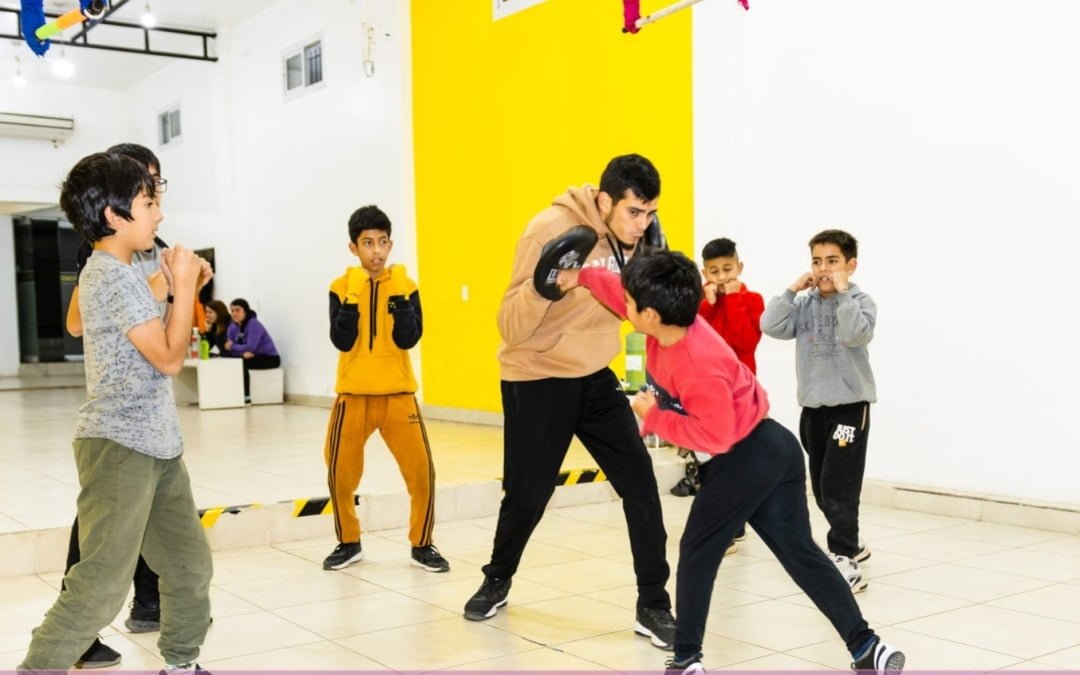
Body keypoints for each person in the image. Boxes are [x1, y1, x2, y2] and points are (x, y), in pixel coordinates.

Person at [560, 250, 904, 675]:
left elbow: (715, 436)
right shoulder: (671, 316)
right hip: (773, 446)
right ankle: (867, 647)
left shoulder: (696, 363)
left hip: (742, 455)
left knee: (697, 551)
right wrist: (579, 276)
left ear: (649, 315)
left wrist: (655, 417)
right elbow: (618, 291)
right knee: (799, 552)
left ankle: (686, 660)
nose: (623, 306)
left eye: (631, 305)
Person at [463, 154, 676, 651]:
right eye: (633, 212)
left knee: (641, 483)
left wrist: (637, 383)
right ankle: (497, 578)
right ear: (604, 201)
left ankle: (653, 603)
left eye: (649, 213)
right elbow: (510, 327)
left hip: (594, 376)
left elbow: (636, 319)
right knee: (527, 495)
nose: (642, 224)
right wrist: (545, 290)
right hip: (536, 374)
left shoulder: (637, 240)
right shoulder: (548, 229)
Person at [19, 152, 213, 673]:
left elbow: (157, 348)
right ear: (114, 215)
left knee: (188, 566)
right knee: (102, 584)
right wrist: (184, 287)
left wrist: (177, 288)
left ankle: (181, 664)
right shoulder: (108, 277)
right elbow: (170, 359)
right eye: (149, 203)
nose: (159, 214)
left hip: (158, 444)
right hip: (119, 447)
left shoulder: (122, 275)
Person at [62, 142, 170, 668]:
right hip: (115, 419)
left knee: (154, 505)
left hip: (151, 412)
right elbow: (75, 323)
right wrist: (151, 289)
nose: (155, 198)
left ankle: (149, 602)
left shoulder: (150, 240)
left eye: (156, 186)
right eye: (146, 188)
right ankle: (77, 631)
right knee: (99, 525)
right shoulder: (103, 253)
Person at [321, 205, 449, 573]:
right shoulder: (340, 287)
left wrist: (401, 299)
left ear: (390, 244)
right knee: (339, 472)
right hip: (353, 396)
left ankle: (422, 544)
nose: (376, 251)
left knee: (422, 474)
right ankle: (348, 542)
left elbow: (408, 338)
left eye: (382, 242)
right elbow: (342, 340)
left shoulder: (406, 285)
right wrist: (354, 296)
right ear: (353, 247)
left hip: (398, 396)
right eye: (367, 243)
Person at [760, 229, 877, 593]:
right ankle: (851, 540)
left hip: (849, 409)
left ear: (850, 265)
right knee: (822, 485)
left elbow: (856, 334)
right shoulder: (804, 304)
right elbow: (770, 325)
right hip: (813, 409)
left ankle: (844, 556)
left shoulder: (861, 302)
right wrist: (792, 290)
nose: (824, 269)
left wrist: (843, 293)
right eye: (817, 261)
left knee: (838, 484)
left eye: (832, 261)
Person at [224, 298, 280, 397]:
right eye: (232, 311)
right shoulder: (232, 327)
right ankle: (230, 395)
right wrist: (242, 353)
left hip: (269, 358)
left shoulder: (253, 324)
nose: (234, 313)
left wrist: (233, 346)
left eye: (237, 310)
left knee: (241, 364)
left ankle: (246, 396)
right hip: (249, 356)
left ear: (245, 311)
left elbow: (250, 347)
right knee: (230, 361)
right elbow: (229, 350)